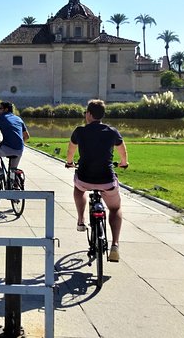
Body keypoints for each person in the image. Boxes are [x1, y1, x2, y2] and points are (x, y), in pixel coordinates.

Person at [65, 99, 128, 263]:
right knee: (115, 209)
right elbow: (122, 151)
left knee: (78, 189)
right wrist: (123, 163)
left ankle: (81, 220)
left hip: (85, 178)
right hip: (106, 180)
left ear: (89, 114)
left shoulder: (79, 131)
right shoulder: (112, 131)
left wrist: (69, 162)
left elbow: (71, 151)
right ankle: (114, 245)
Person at [0, 101, 30, 181]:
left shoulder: (0, 117)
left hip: (7, 148)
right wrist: (18, 143)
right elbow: (27, 136)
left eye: (0, 109)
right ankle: (15, 184)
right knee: (13, 170)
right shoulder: (18, 119)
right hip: (19, 150)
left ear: (6, 109)